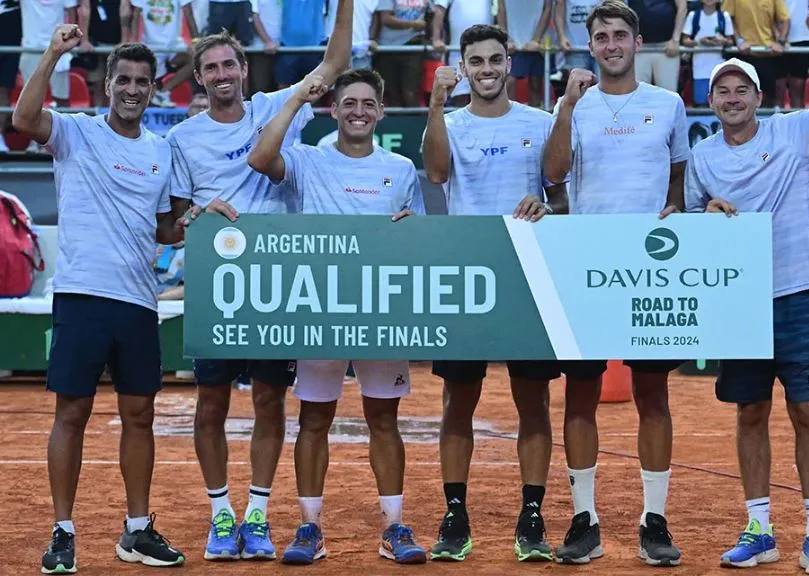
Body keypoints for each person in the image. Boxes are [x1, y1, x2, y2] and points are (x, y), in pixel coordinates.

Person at [164, 0, 354, 562]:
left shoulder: (278, 107)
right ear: (199, 78)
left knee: (271, 400)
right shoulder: (182, 138)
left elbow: (337, 60)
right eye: (212, 69)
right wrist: (192, 219)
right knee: (210, 404)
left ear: (245, 70)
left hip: (274, 284)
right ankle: (221, 514)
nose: (223, 75)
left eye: (230, 65)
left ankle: (258, 514)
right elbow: (175, 223)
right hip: (217, 287)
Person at [11, 24, 204, 574]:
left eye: (143, 81)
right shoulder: (76, 132)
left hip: (138, 301)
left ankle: (137, 530)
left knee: (139, 414)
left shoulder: (161, 152)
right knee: (71, 412)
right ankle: (63, 530)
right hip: (81, 294)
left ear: (151, 89)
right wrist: (52, 52)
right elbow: (23, 122)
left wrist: (198, 218)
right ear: (108, 85)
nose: (134, 89)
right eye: (124, 79)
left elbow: (166, 230)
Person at [683, 8, 809, 574]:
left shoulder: (794, 130)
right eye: (722, 90)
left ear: (757, 97)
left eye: (741, 89)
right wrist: (705, 208)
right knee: (750, 411)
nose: (731, 98)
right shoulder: (703, 155)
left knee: (807, 409)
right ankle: (760, 529)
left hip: (796, 292)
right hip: (736, 301)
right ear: (713, 100)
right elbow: (684, 219)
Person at [247, 67, 427, 566]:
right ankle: (310, 528)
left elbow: (420, 239)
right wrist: (296, 99)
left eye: (368, 104)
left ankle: (394, 527)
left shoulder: (401, 168)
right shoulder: (307, 159)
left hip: (381, 311)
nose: (359, 111)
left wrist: (413, 229)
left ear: (382, 112)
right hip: (319, 308)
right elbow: (261, 157)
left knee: (383, 419)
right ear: (333, 109)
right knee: (314, 418)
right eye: (350, 103)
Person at [543, 0, 688, 567]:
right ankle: (586, 521)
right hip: (587, 265)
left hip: (650, 270)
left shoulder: (668, 103)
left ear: (637, 41)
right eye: (601, 36)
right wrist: (565, 106)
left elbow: (678, 181)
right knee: (580, 395)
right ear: (591, 44)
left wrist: (675, 209)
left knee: (654, 395)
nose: (611, 45)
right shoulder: (575, 104)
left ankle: (655, 522)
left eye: (619, 35)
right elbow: (553, 174)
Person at [422, 24, 569, 563]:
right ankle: (455, 514)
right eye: (475, 61)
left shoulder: (541, 120)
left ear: (509, 63)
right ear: (463, 66)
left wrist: (545, 206)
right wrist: (437, 102)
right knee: (457, 402)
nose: (486, 69)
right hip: (467, 278)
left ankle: (532, 516)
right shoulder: (450, 121)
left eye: (494, 59)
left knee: (534, 403)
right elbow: (436, 173)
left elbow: (559, 190)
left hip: (529, 276)